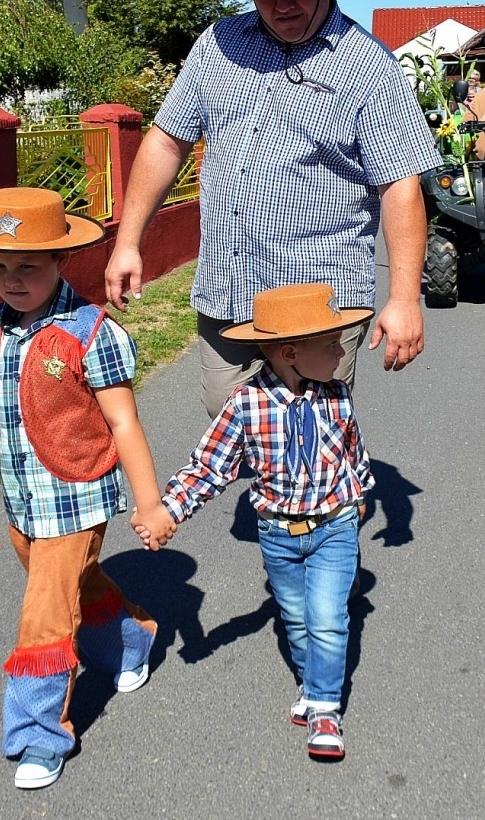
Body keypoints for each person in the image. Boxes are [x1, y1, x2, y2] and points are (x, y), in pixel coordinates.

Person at [103, 0, 442, 418]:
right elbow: (167, 140)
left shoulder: (368, 66)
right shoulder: (218, 45)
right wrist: (128, 242)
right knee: (230, 427)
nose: (281, 3)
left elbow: (399, 185)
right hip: (228, 289)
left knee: (308, 443)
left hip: (318, 305)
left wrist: (404, 299)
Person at [0, 187, 177, 789]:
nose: (12, 279)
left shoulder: (90, 332)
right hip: (24, 506)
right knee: (79, 587)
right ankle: (131, 643)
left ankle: (39, 738)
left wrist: (150, 503)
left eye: (27, 266)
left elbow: (123, 421)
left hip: (76, 501)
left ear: (59, 262)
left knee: (44, 618)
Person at [147, 283, 374, 761]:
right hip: (277, 534)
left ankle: (324, 707)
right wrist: (169, 509)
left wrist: (361, 492)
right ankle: (312, 683)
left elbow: (353, 450)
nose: (340, 350)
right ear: (291, 352)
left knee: (329, 619)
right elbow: (209, 466)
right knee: (294, 617)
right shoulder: (245, 406)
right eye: (330, 343)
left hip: (334, 526)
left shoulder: (338, 396)